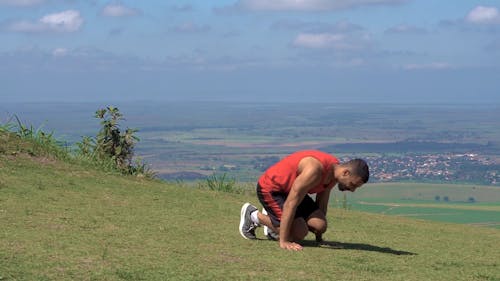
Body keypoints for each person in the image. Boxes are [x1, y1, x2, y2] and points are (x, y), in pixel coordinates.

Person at [239, 150, 369, 251]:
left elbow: (322, 202)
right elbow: (291, 203)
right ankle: (253, 215)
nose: (352, 190)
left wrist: (319, 238)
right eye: (353, 185)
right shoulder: (314, 170)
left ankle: (276, 222)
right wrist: (284, 241)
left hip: (291, 191)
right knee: (299, 233)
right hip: (272, 189)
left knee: (320, 225)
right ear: (345, 173)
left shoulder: (334, 173)